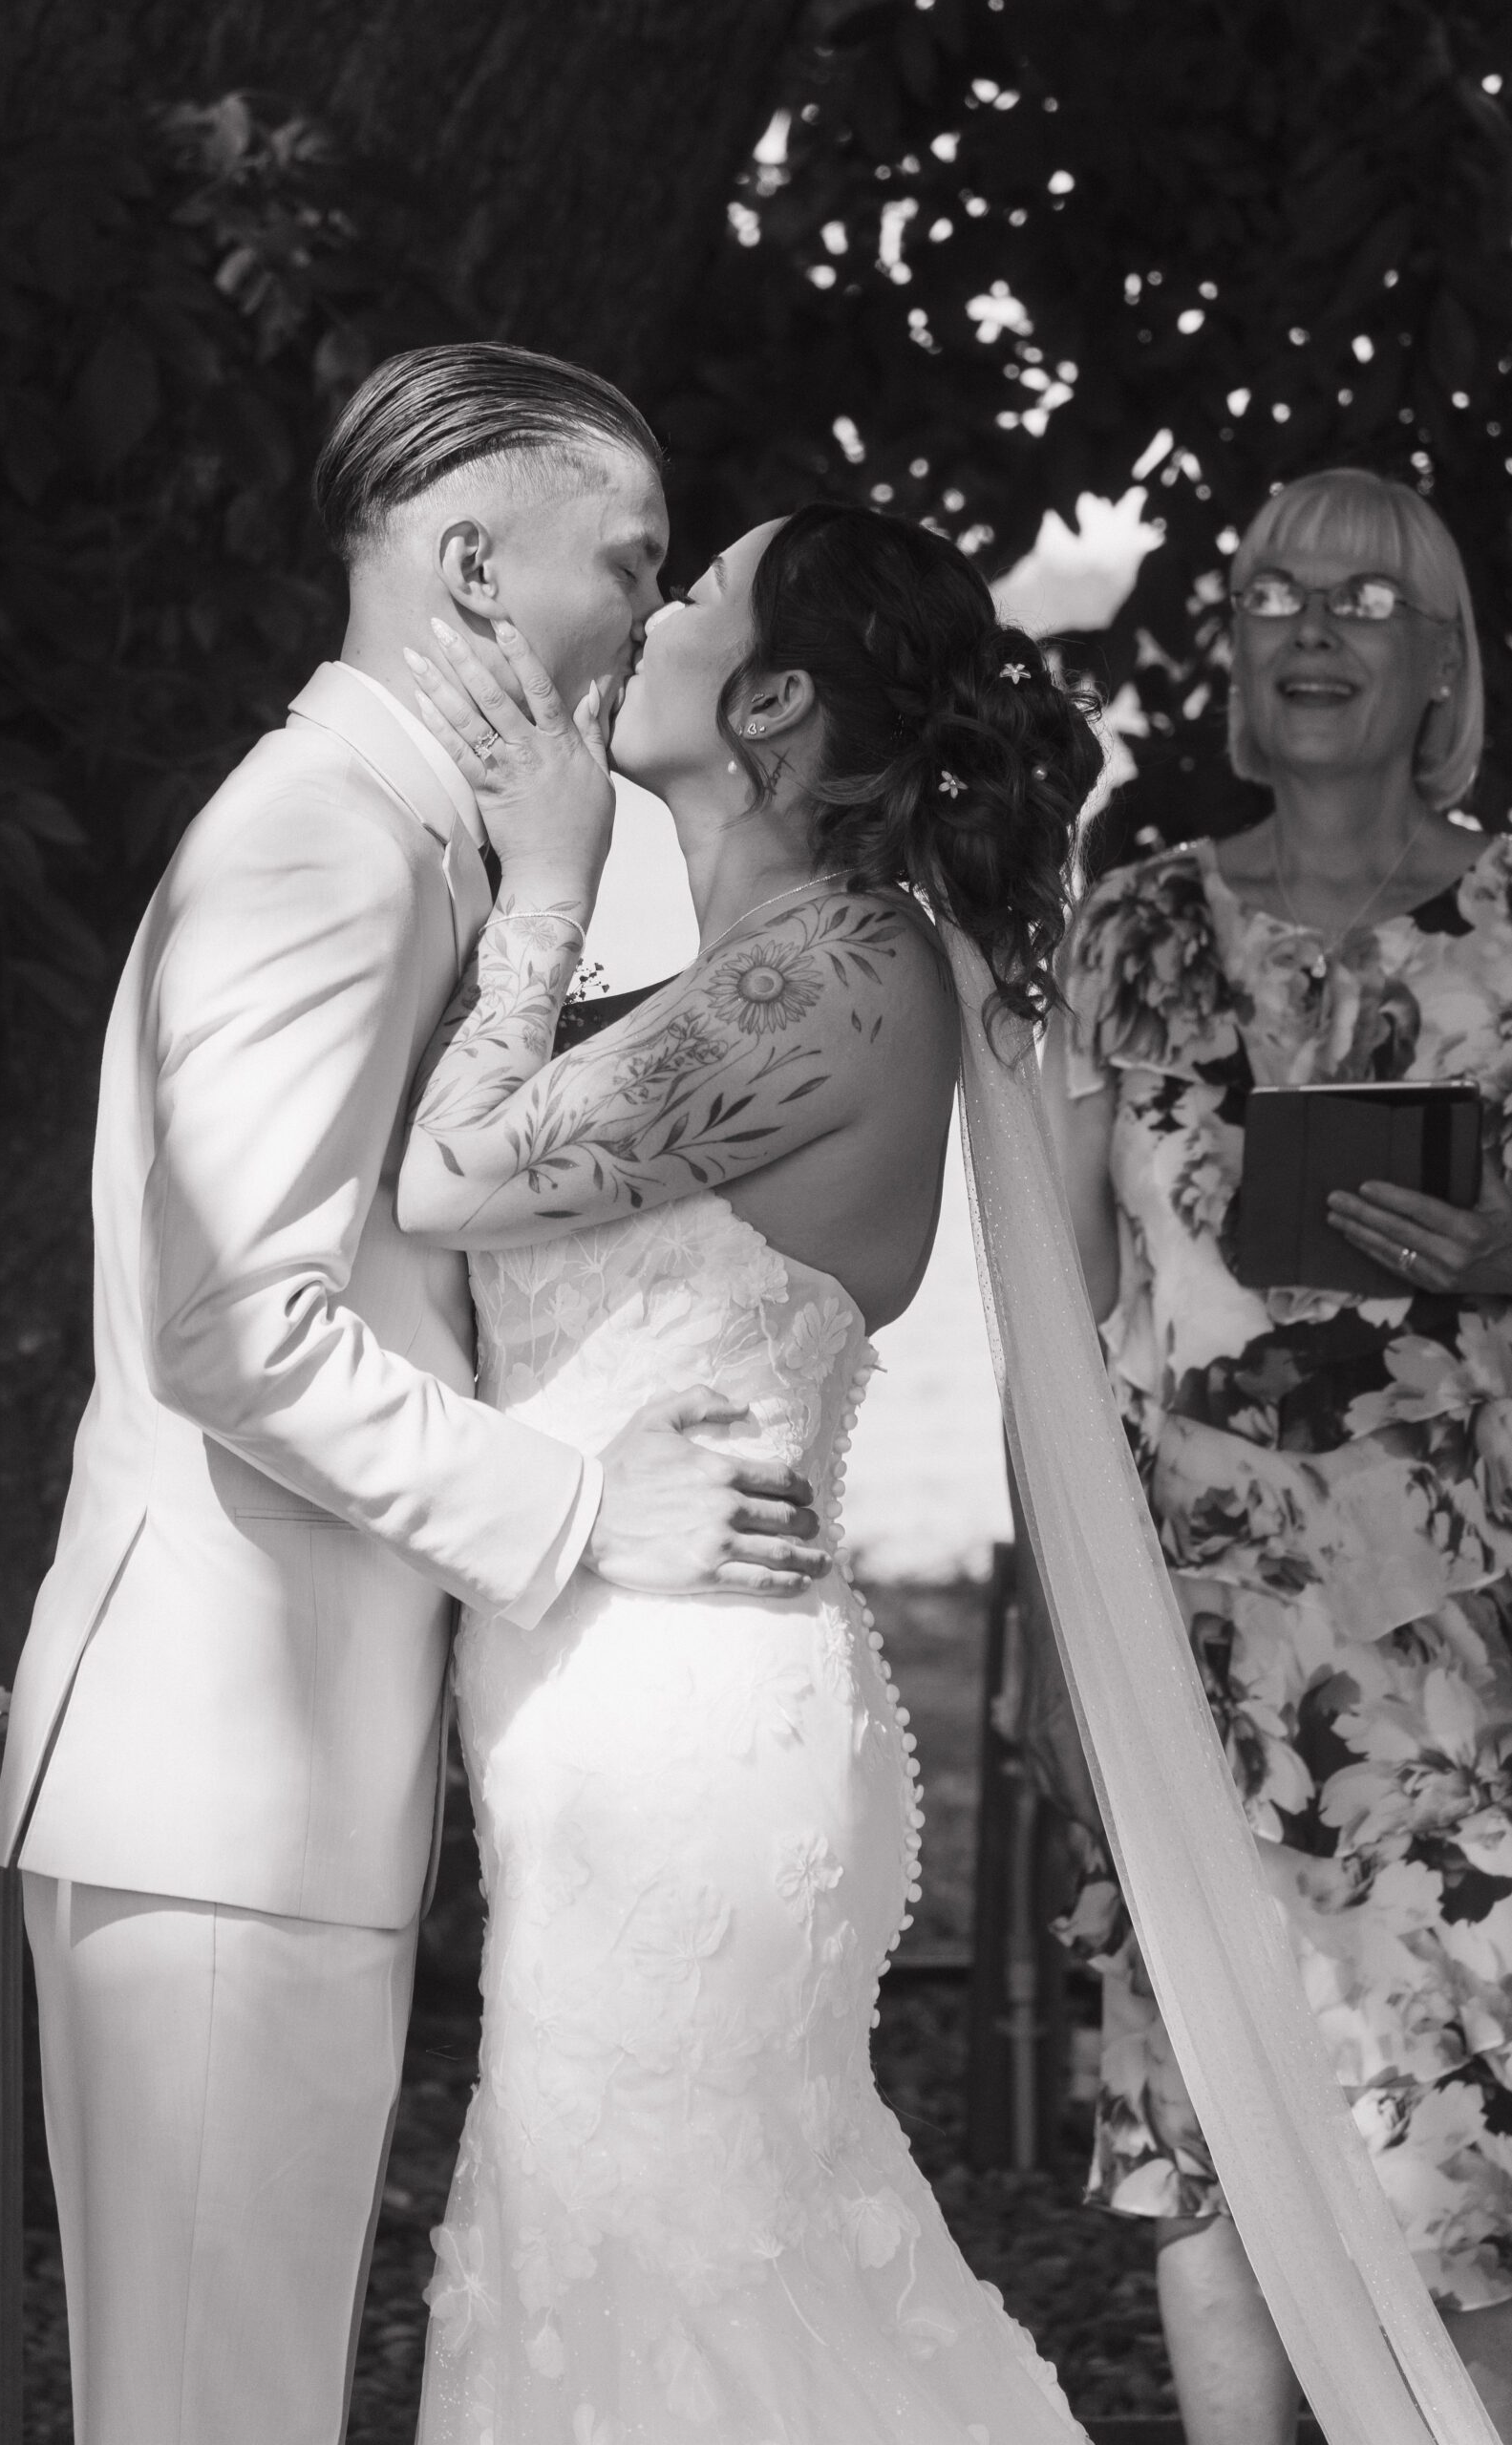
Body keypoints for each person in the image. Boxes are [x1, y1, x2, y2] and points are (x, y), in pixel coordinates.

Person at [0, 345, 835, 2445]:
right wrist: (573, 1506)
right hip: (214, 1787)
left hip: (275, 1793)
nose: (652, 624)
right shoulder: (320, 852)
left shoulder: (398, 843)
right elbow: (233, 1324)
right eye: (627, 567)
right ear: (470, 560)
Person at [394, 502, 1107, 2441]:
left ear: (775, 695)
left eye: (695, 590)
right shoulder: (710, 987)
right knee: (613, 2273)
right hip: (592, 1695)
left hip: (690, 1720)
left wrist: (542, 880)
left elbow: (448, 1177)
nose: (652, 604)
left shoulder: (848, 975)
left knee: (678, 2278)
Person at [1042, 466, 1512, 2445]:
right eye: (1272, 592)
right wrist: (1060, 1653)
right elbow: (1052, 1341)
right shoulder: (1127, 928)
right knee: (1213, 2123)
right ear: (1229, 650)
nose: (1314, 624)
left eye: (1369, 598)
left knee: (1470, 2156)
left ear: (1438, 665)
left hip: (1467, 1656)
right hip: (1191, 1643)